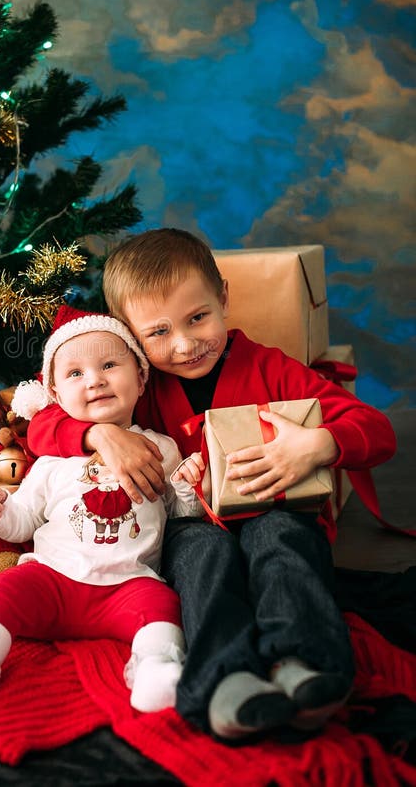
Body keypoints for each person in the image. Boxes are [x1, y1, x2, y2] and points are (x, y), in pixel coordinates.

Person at [26, 228, 397, 740]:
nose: (184, 344)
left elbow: (375, 430)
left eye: (197, 317)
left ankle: (304, 664)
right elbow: (40, 428)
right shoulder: (137, 387)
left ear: (222, 297)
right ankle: (227, 681)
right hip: (186, 526)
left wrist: (320, 445)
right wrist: (98, 435)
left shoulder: (272, 368)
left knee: (282, 540)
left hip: (273, 509)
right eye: (157, 333)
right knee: (202, 557)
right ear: (131, 339)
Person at [0, 305, 205, 712]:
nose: (95, 380)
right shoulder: (51, 461)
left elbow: (181, 511)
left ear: (140, 379)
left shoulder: (162, 448)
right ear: (57, 395)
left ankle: (155, 669)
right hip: (53, 580)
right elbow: (26, 516)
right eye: (76, 374)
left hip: (127, 584)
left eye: (110, 365)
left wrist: (188, 486)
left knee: (162, 605)